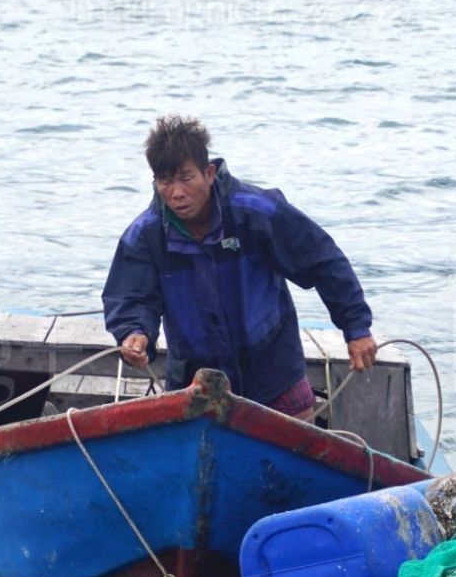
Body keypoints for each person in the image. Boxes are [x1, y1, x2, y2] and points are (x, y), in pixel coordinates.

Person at [100, 114, 377, 418]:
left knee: (295, 456)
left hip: (275, 371)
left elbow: (321, 259)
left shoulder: (256, 211)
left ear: (208, 172)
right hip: (196, 381)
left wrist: (356, 327)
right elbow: (131, 298)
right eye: (165, 181)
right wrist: (134, 333)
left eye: (186, 177)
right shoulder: (145, 235)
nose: (176, 192)